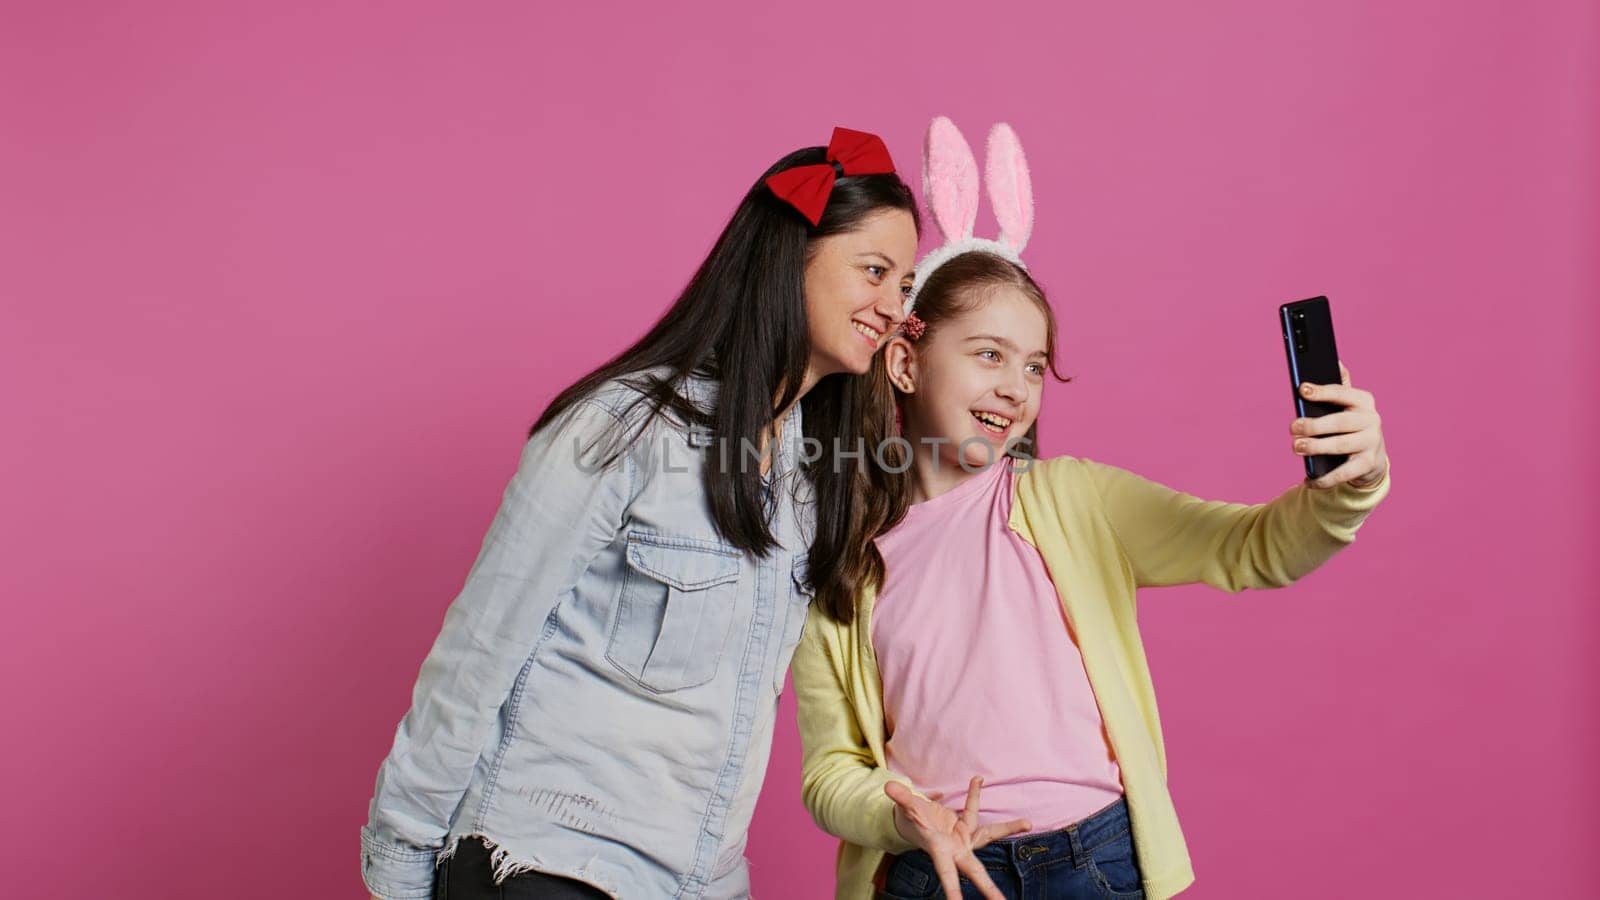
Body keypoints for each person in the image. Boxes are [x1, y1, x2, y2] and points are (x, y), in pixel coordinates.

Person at [793, 117, 1391, 900]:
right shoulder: (834, 549)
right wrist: (904, 819)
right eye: (988, 355)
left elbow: (1256, 547)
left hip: (1095, 861)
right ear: (904, 362)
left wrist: (1349, 484)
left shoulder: (1076, 499)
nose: (1015, 387)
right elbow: (829, 770)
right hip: (934, 874)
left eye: (1034, 366)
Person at [361, 127, 921, 900]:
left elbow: (965, 470)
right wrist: (400, 858)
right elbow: (480, 648)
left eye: (907, 285)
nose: (895, 305)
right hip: (552, 860)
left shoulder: (811, 477)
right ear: (791, 259)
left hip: (701, 880)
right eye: (876, 271)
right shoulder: (621, 427)